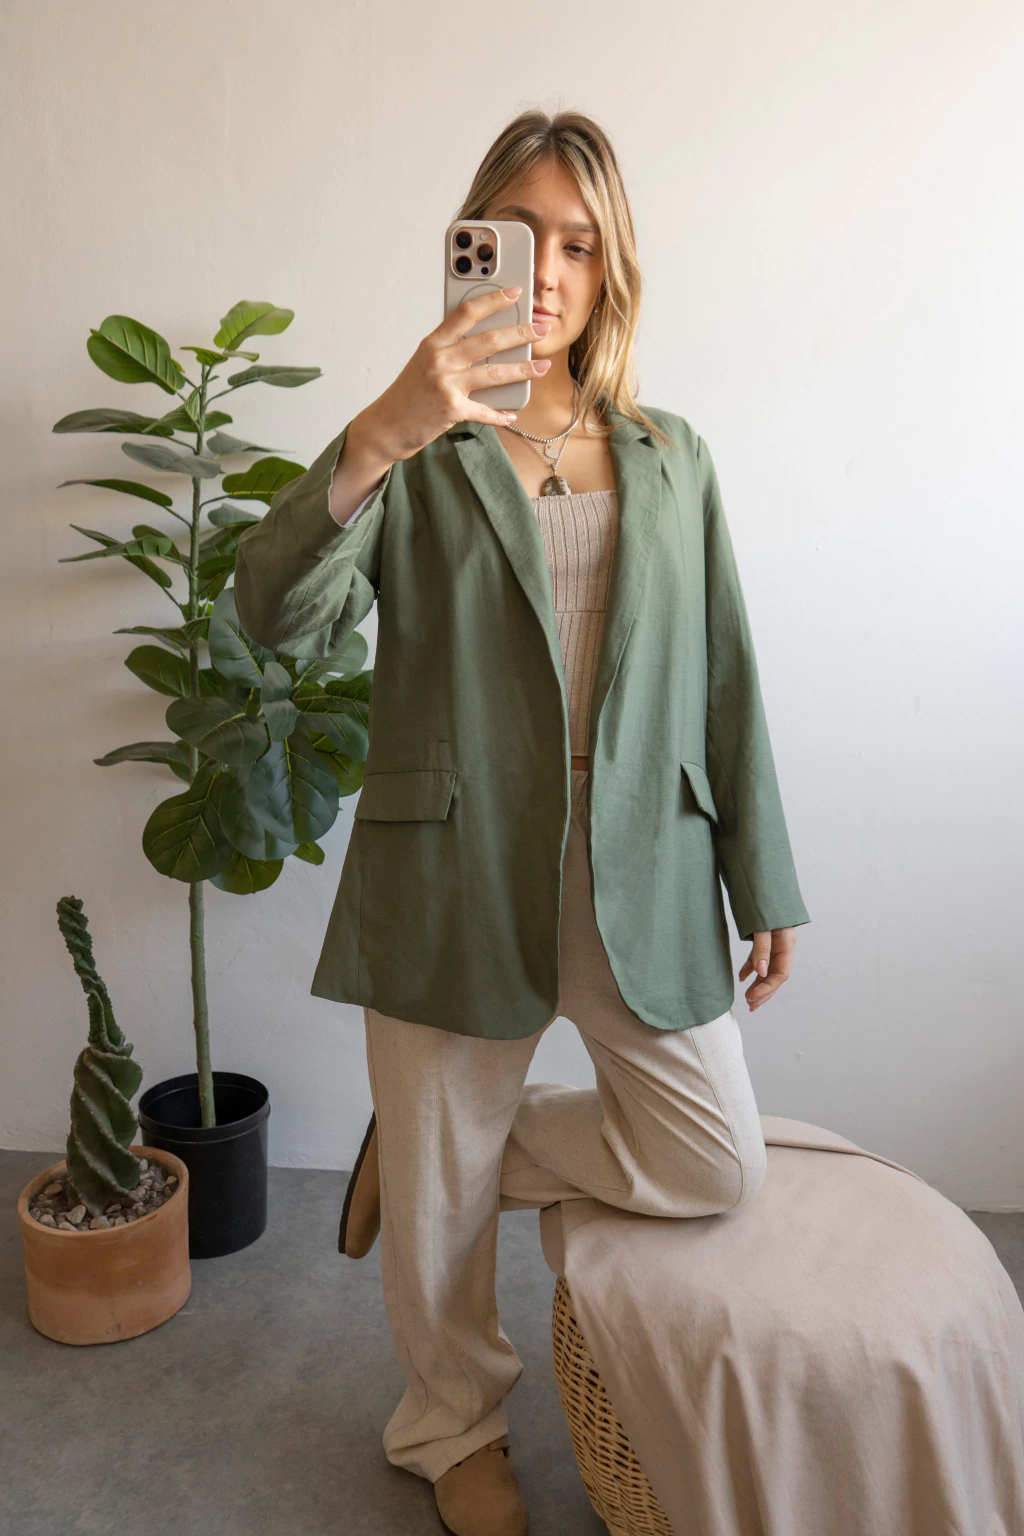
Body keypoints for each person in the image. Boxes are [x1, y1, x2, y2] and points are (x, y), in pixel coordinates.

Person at [234, 108, 810, 1536]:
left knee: (711, 1160)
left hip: (644, 864)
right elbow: (275, 621)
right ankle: (450, 1430)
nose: (545, 271)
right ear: (467, 245)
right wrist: (385, 428)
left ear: (613, 272)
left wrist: (766, 881)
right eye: (516, 234)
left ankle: (434, 1156)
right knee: (438, 1214)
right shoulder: (417, 451)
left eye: (579, 244)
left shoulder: (672, 455)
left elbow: (726, 677)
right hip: (454, 862)